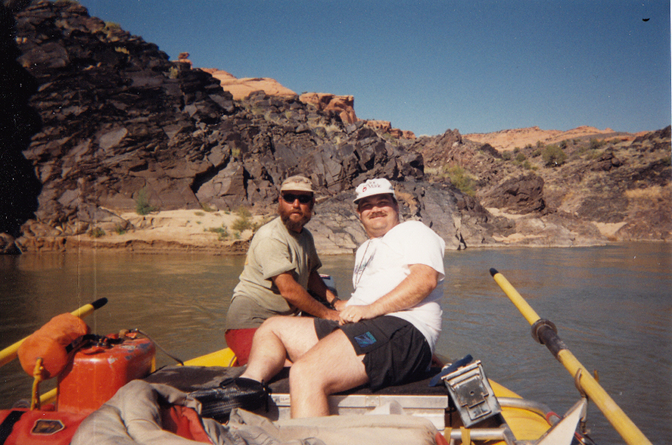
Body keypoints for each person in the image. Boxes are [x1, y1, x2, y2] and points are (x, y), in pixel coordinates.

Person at [235, 177, 446, 418]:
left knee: (306, 372)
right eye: (367, 205)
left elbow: (424, 280)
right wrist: (342, 305)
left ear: (396, 206)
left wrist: (371, 310)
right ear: (358, 213)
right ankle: (247, 387)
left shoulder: (414, 231)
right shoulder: (366, 249)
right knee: (273, 327)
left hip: (400, 328)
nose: (375, 209)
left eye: (382, 202)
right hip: (364, 326)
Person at [224, 175, 345, 365]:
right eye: (289, 198)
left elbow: (311, 275)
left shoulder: (305, 236)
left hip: (284, 322)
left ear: (312, 203)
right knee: (278, 369)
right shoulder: (270, 236)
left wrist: (336, 302)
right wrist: (329, 315)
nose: (296, 204)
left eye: (303, 199)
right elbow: (289, 289)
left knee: (328, 354)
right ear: (281, 202)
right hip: (251, 321)